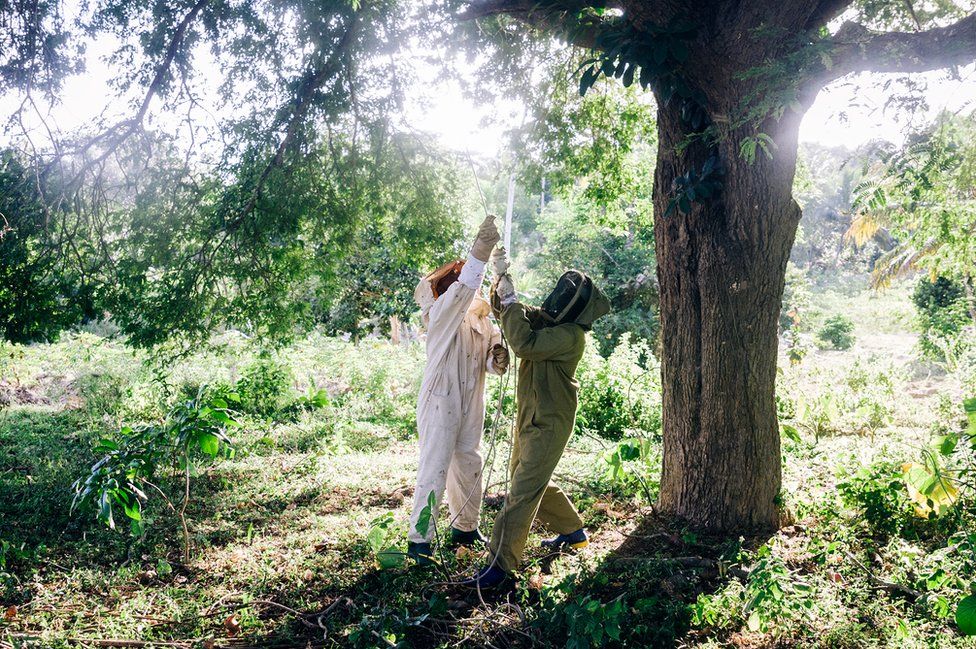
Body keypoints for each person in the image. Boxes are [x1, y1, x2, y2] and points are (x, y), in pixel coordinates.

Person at [462, 248, 610, 588]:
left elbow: (524, 341)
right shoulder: (552, 322)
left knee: (522, 491)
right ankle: (574, 534)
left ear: (576, 306)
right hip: (532, 417)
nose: (557, 300)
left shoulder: (571, 337)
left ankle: (500, 568)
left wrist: (511, 301)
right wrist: (501, 282)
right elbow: (511, 314)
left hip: (549, 423)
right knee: (527, 478)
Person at [406, 215, 510, 566]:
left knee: (468, 461)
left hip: (470, 400)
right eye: (451, 279)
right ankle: (419, 543)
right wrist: (481, 249)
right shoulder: (441, 314)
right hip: (441, 399)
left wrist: (498, 357)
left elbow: (493, 363)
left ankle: (464, 528)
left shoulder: (481, 318)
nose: (457, 280)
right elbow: (465, 288)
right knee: (435, 467)